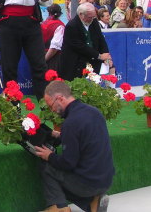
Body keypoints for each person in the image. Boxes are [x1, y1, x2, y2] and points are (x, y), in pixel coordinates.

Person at [34, 81, 114, 212]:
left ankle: (58, 207)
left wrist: (49, 156)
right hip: (105, 180)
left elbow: (68, 163)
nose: (52, 110)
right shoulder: (93, 112)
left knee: (47, 167)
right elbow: (85, 139)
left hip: (88, 184)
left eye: (51, 106)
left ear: (60, 98)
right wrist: (61, 136)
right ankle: (92, 203)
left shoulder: (71, 123)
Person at [59, 3, 112, 81]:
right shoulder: (72, 26)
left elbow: (100, 39)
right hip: (75, 64)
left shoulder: (93, 22)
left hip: (92, 63)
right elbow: (80, 46)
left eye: (94, 16)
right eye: (90, 17)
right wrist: (99, 56)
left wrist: (106, 56)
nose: (92, 19)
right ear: (81, 15)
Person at [41, 4, 65, 72]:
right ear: (60, 14)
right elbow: (54, 48)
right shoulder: (60, 26)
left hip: (41, 54)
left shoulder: (43, 24)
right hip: (53, 58)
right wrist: (44, 60)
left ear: (49, 13)